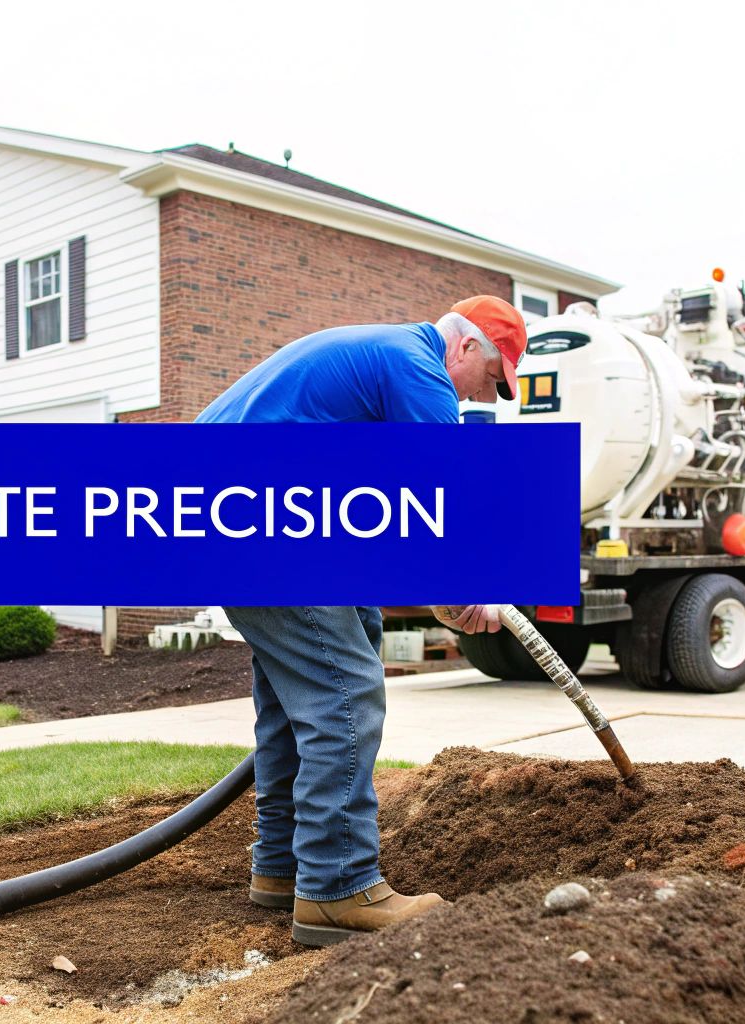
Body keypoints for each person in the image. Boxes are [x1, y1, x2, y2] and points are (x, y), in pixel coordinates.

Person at [196, 295, 528, 947]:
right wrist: (464, 590)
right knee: (345, 694)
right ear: (466, 347)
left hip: (232, 517)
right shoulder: (419, 369)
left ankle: (284, 867)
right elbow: (442, 494)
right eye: (489, 379)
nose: (480, 398)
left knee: (308, 685)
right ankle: (339, 887)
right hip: (261, 523)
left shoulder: (379, 354)